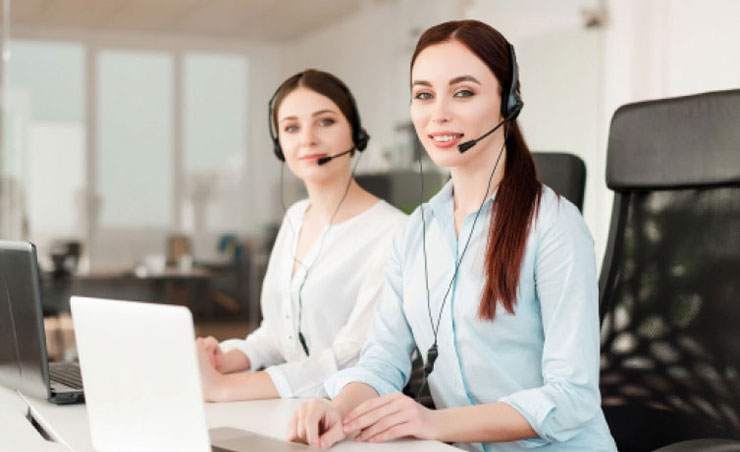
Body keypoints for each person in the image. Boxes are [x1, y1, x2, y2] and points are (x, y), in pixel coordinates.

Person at [286, 20, 617, 451]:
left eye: (463, 92)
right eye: (424, 95)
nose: (437, 113)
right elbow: (382, 361)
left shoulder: (554, 226)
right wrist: (339, 407)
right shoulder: (416, 234)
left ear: (508, 100)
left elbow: (573, 398)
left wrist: (435, 424)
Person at [195, 69, 407, 402]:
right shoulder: (295, 217)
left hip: (347, 418)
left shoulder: (394, 232)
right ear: (280, 146)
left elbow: (353, 358)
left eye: (325, 122)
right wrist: (225, 359)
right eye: (292, 127)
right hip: (283, 409)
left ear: (356, 134)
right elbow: (277, 336)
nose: (308, 139)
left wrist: (226, 388)